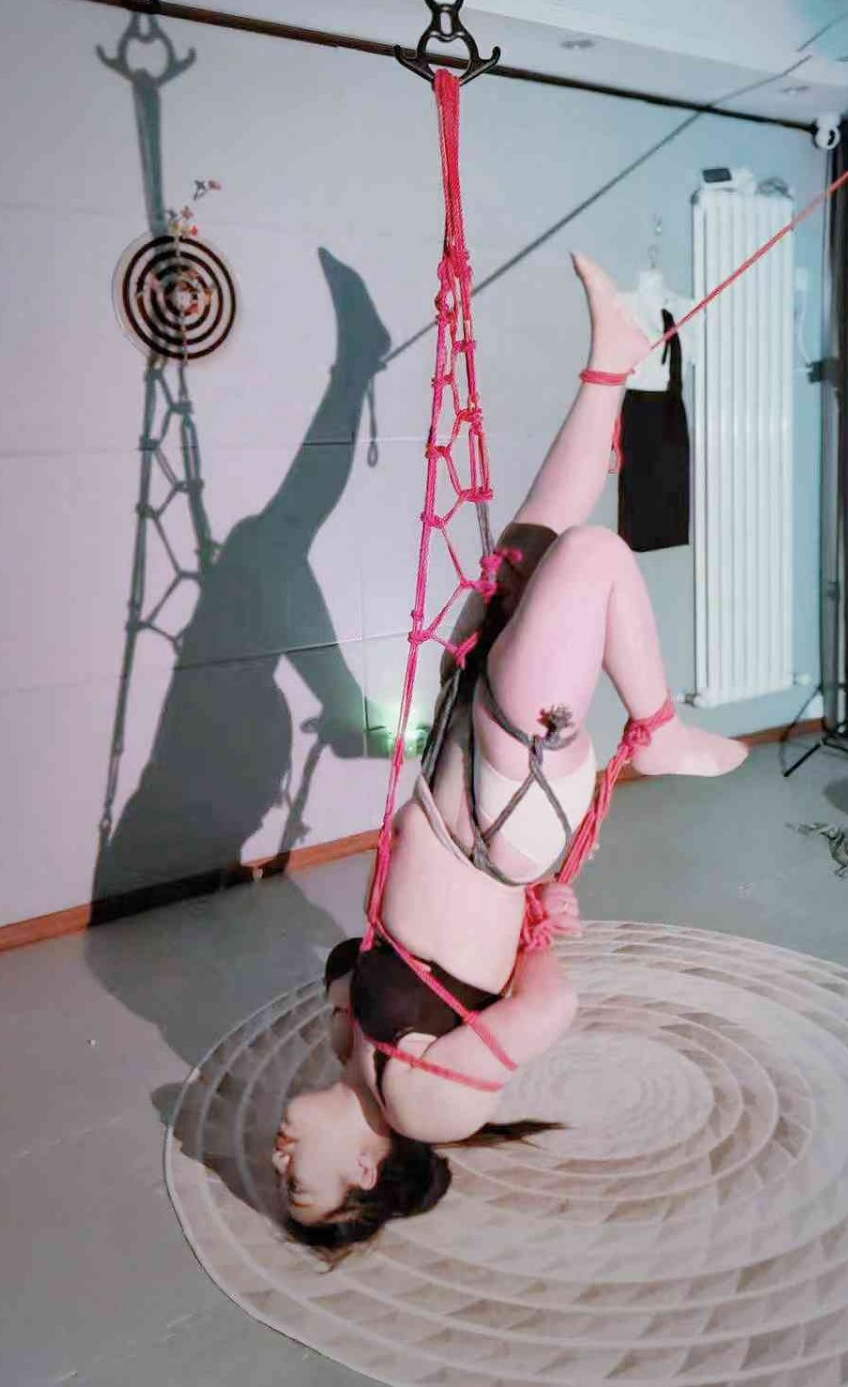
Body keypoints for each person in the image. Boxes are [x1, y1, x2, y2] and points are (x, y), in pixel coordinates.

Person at [275, 253, 748, 1253]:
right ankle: (659, 730)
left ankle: (612, 360)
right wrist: (539, 922)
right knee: (594, 558)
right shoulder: (429, 1106)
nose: (279, 1159)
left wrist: (522, 923)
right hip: (503, 822)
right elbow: (551, 1002)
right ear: (364, 1172)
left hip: (452, 783)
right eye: (299, 1184)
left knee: (521, 558)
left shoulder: (351, 1048)